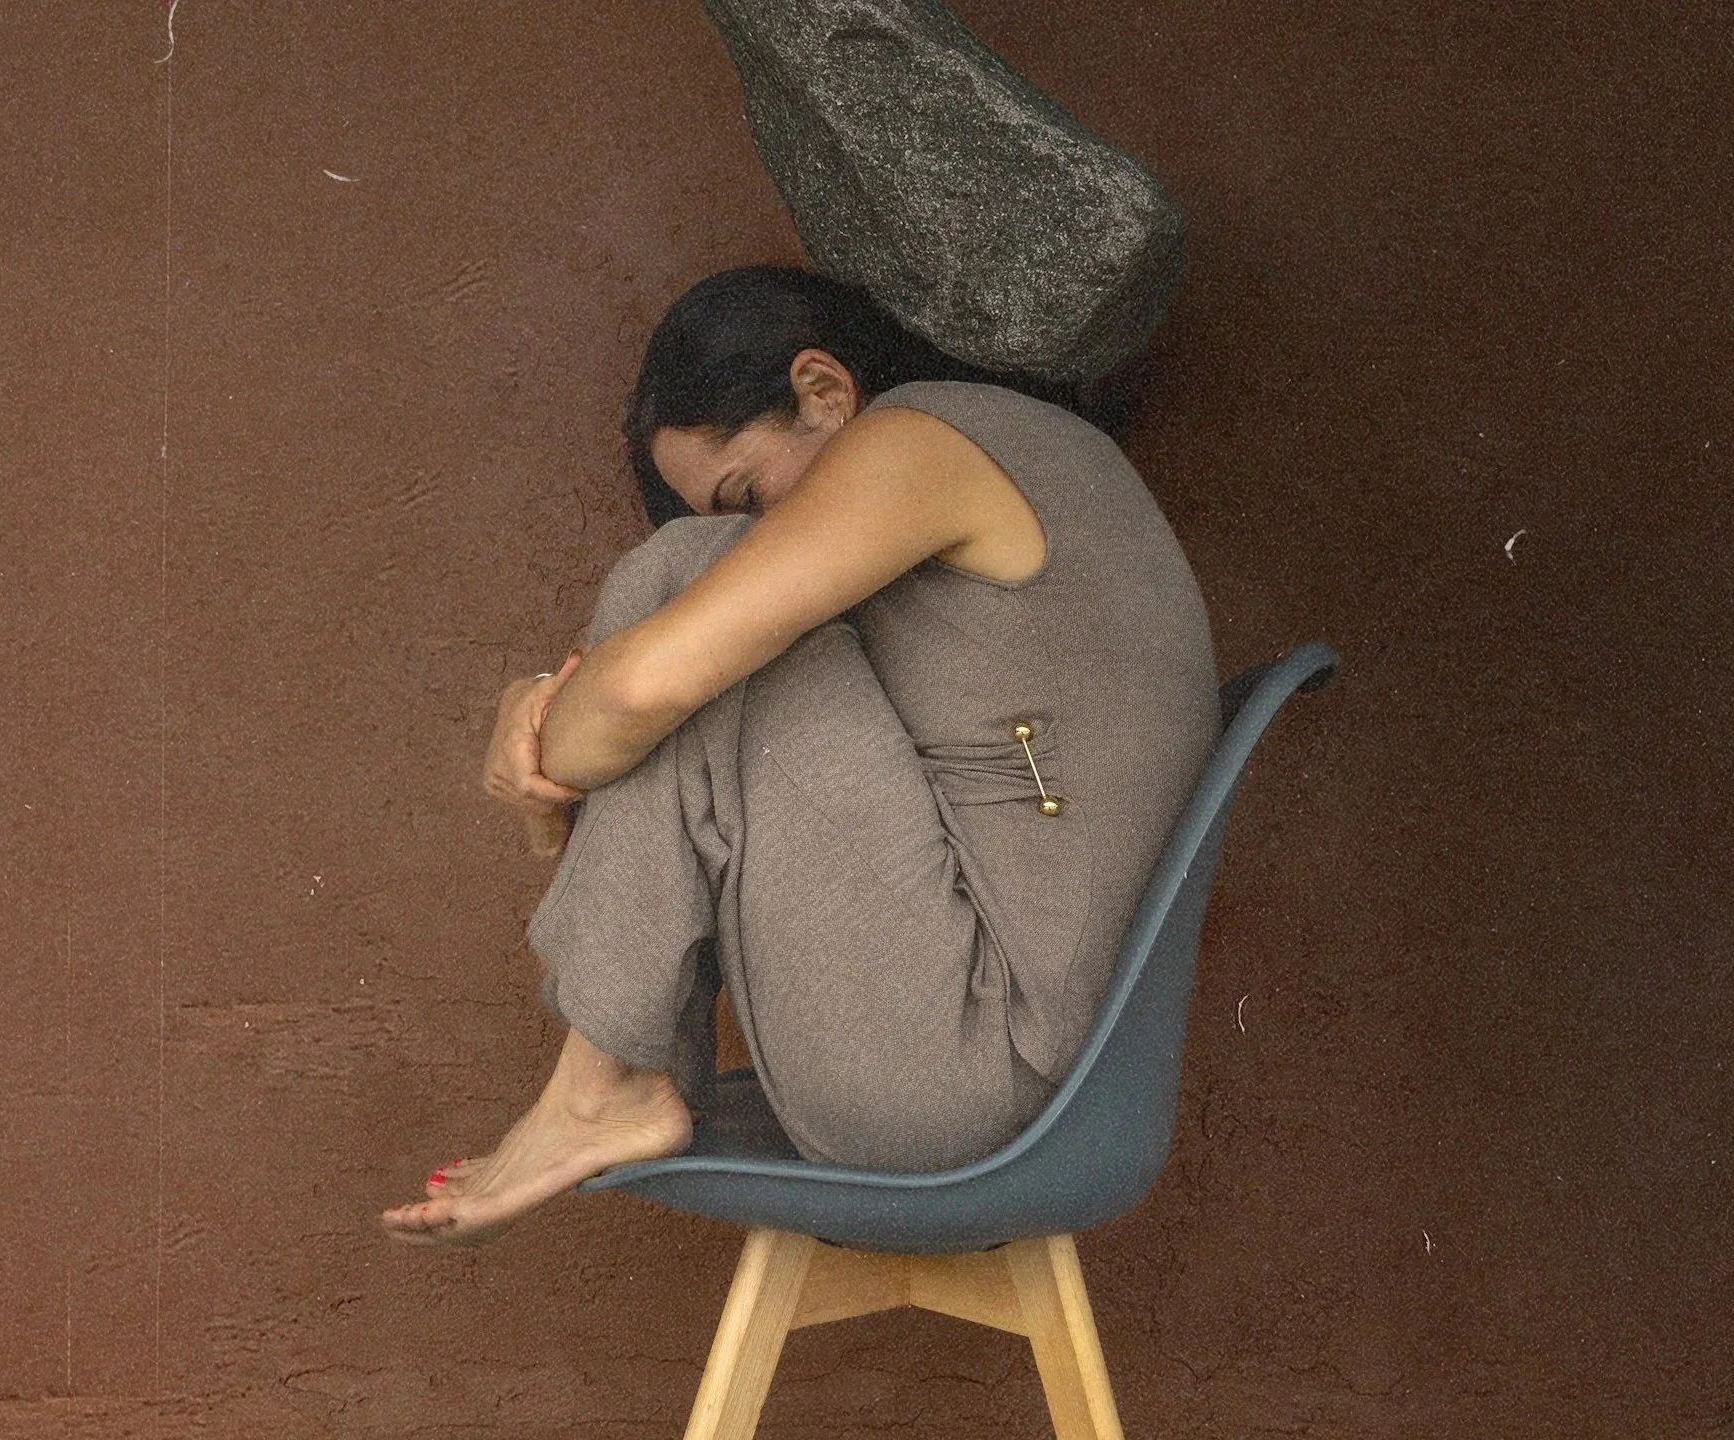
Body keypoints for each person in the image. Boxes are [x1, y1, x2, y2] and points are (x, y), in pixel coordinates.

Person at [381, 266, 1216, 1245]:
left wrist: (528, 732)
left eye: (749, 490)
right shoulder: (1021, 461)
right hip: (982, 1070)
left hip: (970, 1078)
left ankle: (604, 1078)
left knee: (691, 581)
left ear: (824, 391)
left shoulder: (922, 444)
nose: (762, 531)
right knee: (703, 623)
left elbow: (636, 693)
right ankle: (615, 1074)